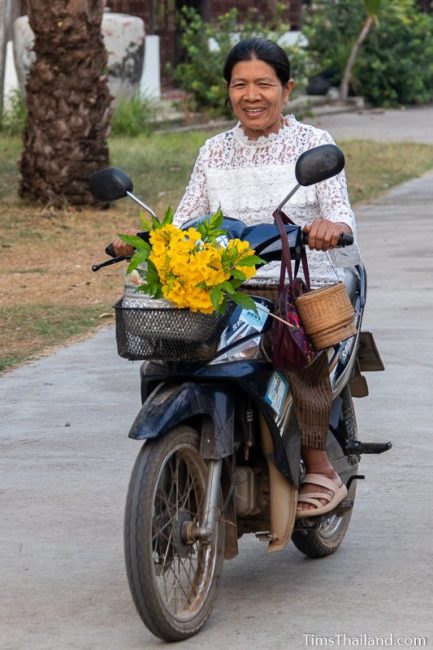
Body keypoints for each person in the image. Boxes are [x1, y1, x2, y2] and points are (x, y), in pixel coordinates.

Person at [114, 37, 361, 517]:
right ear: (228, 91)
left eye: (264, 84)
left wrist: (330, 229)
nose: (252, 95)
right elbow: (186, 219)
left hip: (296, 275)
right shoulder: (213, 150)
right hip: (227, 283)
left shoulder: (314, 144)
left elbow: (339, 212)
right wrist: (145, 239)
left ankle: (320, 468)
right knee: (175, 349)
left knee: (295, 350)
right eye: (240, 84)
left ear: (285, 90)